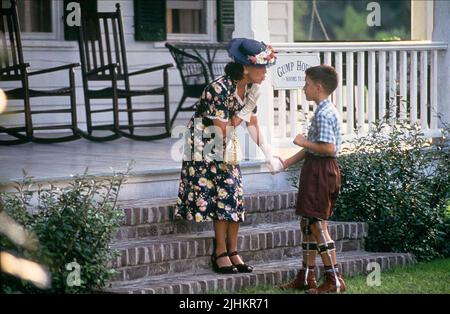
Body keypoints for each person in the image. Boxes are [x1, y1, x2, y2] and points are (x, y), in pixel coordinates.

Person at [174, 38, 283, 274]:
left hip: (226, 143)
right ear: (246, 67)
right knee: (219, 196)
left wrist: (268, 152)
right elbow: (223, 131)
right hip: (205, 145)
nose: (265, 73)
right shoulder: (218, 89)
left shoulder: (250, 88)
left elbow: (252, 123)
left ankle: (233, 251)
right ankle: (220, 251)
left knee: (233, 195)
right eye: (262, 67)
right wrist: (244, 110)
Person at [279, 65, 346, 293]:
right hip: (316, 168)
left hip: (321, 170)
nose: (304, 88)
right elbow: (316, 147)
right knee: (307, 224)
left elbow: (328, 148)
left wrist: (302, 141)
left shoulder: (325, 113)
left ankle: (334, 280)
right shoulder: (322, 111)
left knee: (317, 224)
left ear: (318, 87)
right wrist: (287, 162)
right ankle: (306, 276)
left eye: (307, 84)